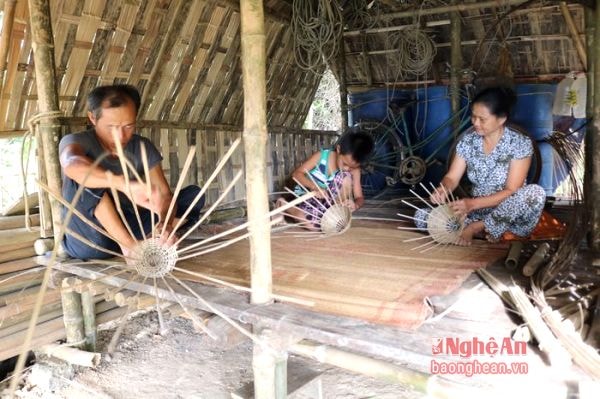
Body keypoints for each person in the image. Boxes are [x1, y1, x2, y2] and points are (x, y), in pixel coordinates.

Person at [59, 84, 204, 260]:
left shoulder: (142, 146)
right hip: (91, 239)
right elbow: (71, 164)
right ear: (92, 117)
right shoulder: (76, 141)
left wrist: (164, 224)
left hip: (129, 227)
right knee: (83, 176)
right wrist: (122, 184)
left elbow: (165, 195)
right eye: (111, 127)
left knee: (194, 195)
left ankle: (153, 239)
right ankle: (129, 248)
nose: (120, 136)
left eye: (128, 126)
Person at [415, 86, 546, 246]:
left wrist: (471, 204)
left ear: (501, 119)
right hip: (474, 213)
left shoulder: (519, 144)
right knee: (420, 216)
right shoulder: (468, 142)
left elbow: (511, 191)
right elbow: (452, 177)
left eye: (482, 119)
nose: (475, 123)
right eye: (473, 117)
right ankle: (487, 231)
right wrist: (444, 188)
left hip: (510, 215)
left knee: (535, 193)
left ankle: (477, 228)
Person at [276, 130, 374, 230]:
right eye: (345, 163)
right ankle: (284, 204)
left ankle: (334, 213)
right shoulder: (322, 157)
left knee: (346, 178)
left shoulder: (354, 171)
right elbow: (296, 175)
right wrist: (314, 187)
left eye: (352, 167)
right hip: (305, 196)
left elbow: (359, 197)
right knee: (311, 225)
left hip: (327, 204)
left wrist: (355, 205)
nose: (347, 169)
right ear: (339, 149)